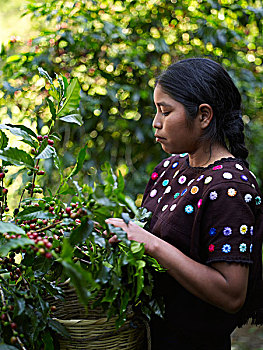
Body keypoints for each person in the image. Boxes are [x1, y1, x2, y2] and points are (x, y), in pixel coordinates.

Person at [105, 58, 263, 350]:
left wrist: (151, 244)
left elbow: (231, 295)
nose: (156, 122)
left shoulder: (230, 189)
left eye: (165, 111)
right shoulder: (170, 167)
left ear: (203, 116)